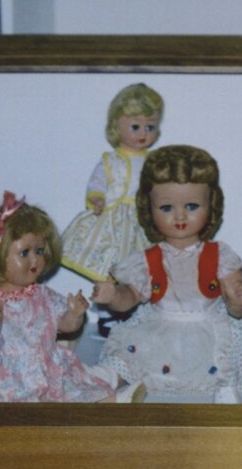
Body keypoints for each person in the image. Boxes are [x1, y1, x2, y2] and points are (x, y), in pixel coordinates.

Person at [94, 145, 242, 404]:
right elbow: (129, 297)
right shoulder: (147, 259)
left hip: (210, 327)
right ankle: (100, 378)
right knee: (127, 356)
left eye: (192, 205)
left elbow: (241, 310)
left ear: (211, 206)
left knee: (241, 352)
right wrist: (113, 296)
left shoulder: (219, 255)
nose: (180, 215)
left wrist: (239, 301)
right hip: (160, 329)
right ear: (148, 209)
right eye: (166, 208)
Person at [0, 193, 142, 402]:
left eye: (39, 251)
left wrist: (74, 315)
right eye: (25, 253)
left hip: (45, 370)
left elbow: (66, 326)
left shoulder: (43, 295)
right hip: (3, 376)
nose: (35, 259)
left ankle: (110, 399)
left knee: (75, 385)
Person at [60, 83, 164, 335]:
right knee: (107, 267)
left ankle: (132, 311)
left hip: (141, 223)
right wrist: (96, 198)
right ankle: (106, 313)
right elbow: (97, 182)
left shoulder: (153, 160)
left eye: (150, 127)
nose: (143, 133)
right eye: (135, 127)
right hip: (113, 222)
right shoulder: (111, 159)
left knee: (138, 269)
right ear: (117, 126)